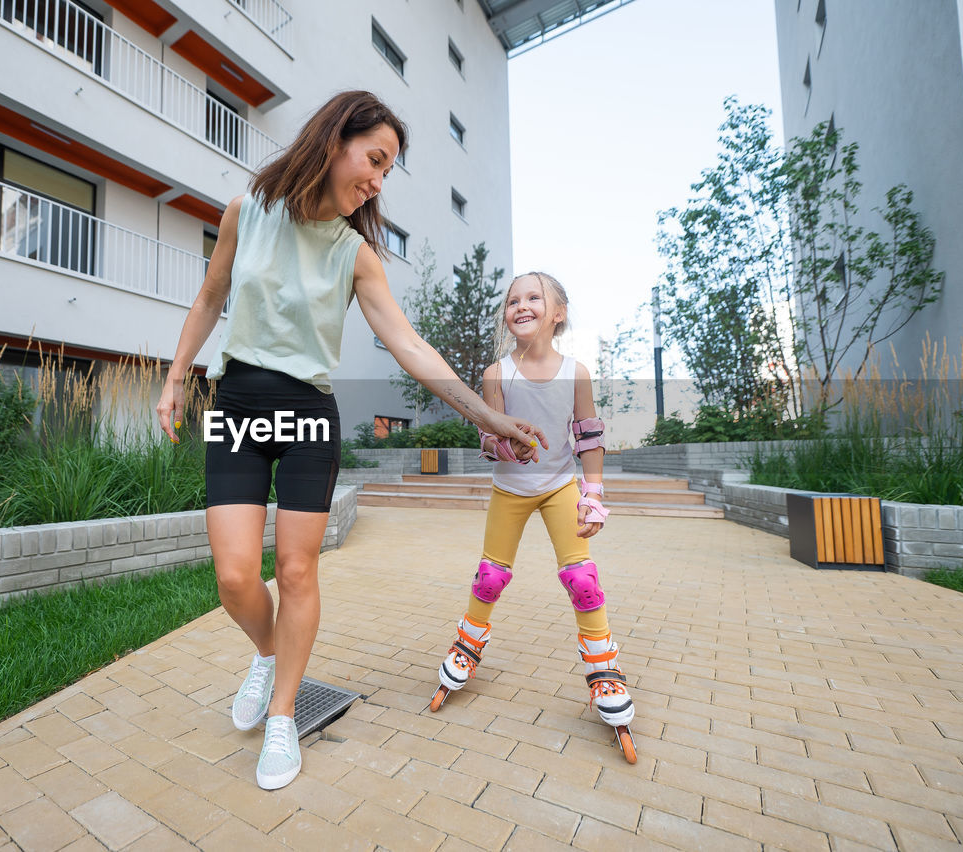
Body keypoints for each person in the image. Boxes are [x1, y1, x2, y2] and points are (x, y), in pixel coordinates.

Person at [154, 91, 544, 790]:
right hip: (238, 403)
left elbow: (411, 348)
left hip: (307, 413)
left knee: (297, 572)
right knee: (237, 578)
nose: (378, 179)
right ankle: (271, 655)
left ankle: (281, 717)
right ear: (335, 141)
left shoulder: (358, 255)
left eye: (388, 168)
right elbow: (211, 296)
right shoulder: (248, 210)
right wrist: (176, 376)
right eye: (375, 158)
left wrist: (490, 419)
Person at [427, 271, 637, 762]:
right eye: (512, 300)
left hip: (560, 485)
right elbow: (486, 434)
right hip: (511, 488)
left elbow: (587, 435)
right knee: (490, 577)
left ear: (557, 313)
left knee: (583, 579)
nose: (520, 306)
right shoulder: (497, 374)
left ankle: (604, 672)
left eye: (533, 298)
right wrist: (500, 441)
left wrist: (593, 494)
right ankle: (466, 645)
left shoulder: (576, 372)